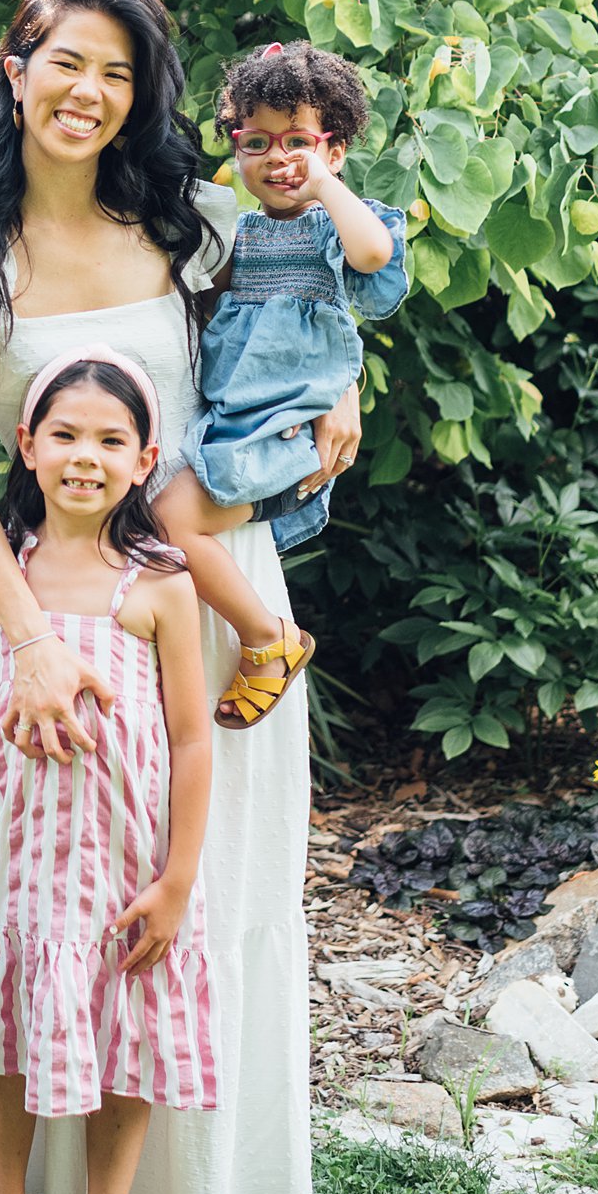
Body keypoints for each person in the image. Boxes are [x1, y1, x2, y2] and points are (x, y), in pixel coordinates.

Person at [0, 0, 360, 1194]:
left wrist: (336, 406)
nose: (90, 91)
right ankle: (44, 1189)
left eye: (119, 72)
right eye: (68, 61)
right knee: (68, 897)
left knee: (206, 888)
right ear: (17, 67)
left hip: (216, 595)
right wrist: (29, 642)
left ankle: (175, 1188)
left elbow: (305, 314)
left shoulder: (184, 227)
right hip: (52, 611)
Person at [0, 350, 216, 1194]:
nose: (83, 456)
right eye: (65, 434)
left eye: (108, 440)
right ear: (26, 445)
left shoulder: (162, 584)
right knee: (5, 1030)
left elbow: (190, 738)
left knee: (124, 1037)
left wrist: (177, 880)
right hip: (14, 857)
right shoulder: (5, 572)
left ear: (145, 459)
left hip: (122, 867)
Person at [167, 39, 407, 730]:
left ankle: (268, 639)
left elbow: (373, 255)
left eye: (299, 140)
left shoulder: (332, 228)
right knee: (173, 519)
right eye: (258, 142)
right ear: (236, 149)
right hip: (236, 417)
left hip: (292, 424)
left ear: (335, 149)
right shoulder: (235, 233)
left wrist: (327, 186)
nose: (279, 158)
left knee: (175, 521)